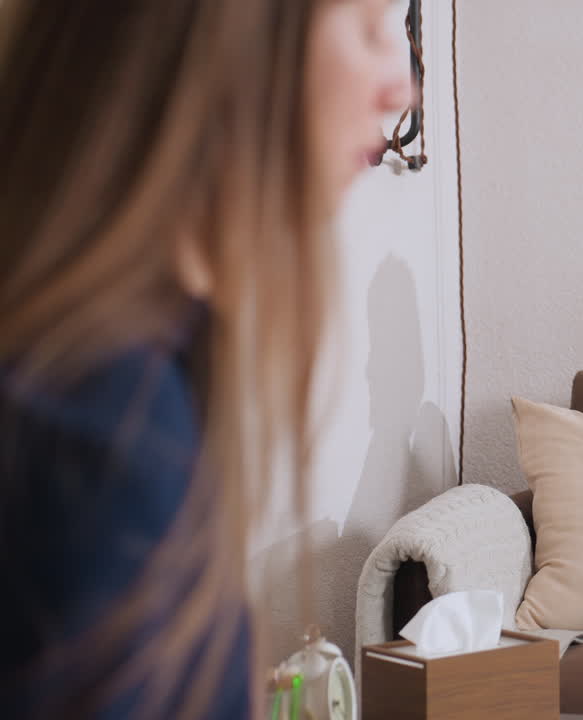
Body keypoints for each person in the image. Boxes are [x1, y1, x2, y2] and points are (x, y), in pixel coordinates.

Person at [0, 1, 410, 718]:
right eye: (371, 27)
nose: (401, 89)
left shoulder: (137, 369)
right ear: (232, 40)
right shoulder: (106, 432)